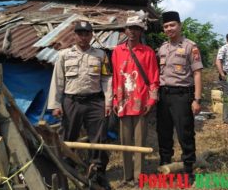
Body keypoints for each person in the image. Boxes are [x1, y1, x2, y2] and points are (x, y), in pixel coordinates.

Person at [48, 21, 112, 190]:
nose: (83, 37)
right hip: (72, 101)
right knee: (69, 137)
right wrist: (55, 104)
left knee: (99, 138)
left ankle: (98, 173)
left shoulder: (100, 55)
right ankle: (68, 172)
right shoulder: (63, 55)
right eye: (80, 34)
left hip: (95, 102)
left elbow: (106, 79)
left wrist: (108, 102)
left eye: (87, 34)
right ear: (74, 35)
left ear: (91, 35)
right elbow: (58, 81)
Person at [111, 15, 159, 187]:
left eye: (136, 28)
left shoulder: (148, 52)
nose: (132, 31)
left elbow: (154, 79)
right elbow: (115, 78)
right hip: (123, 104)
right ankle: (127, 176)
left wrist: (151, 102)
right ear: (125, 30)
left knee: (139, 142)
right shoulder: (117, 51)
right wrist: (115, 101)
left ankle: (139, 177)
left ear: (141, 31)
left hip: (141, 105)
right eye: (130, 27)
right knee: (125, 142)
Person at [157, 11, 203, 185]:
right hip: (164, 95)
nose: (169, 29)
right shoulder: (162, 48)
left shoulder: (191, 46)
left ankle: (188, 168)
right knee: (164, 131)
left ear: (180, 25)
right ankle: (165, 163)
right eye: (166, 26)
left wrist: (197, 100)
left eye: (172, 25)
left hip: (182, 96)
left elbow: (197, 73)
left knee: (185, 132)